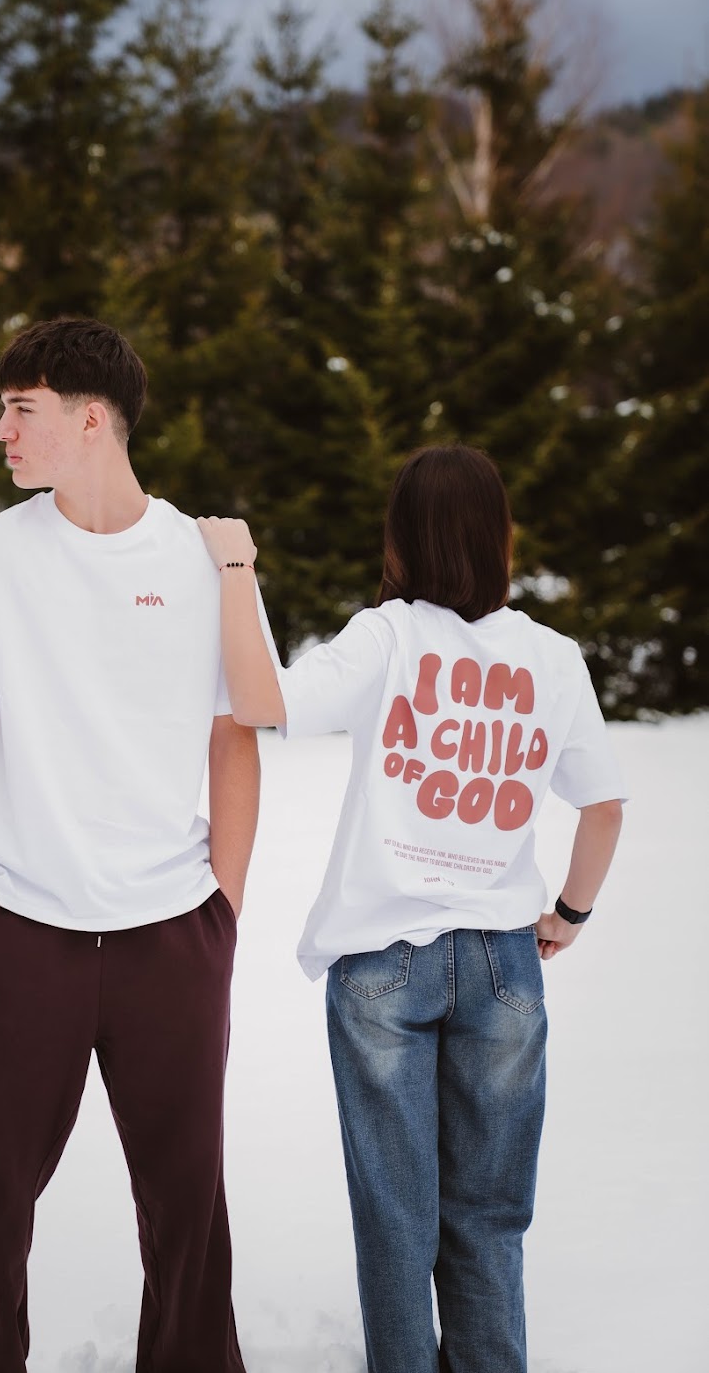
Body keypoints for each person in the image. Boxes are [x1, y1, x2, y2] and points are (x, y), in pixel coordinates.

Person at [197, 444, 626, 1373]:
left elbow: (262, 700)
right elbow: (603, 808)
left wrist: (235, 566)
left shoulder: (386, 638)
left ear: (402, 538)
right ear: (499, 536)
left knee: (396, 1218)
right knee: (491, 1214)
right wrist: (570, 914)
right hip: (506, 965)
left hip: (382, 965)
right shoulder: (553, 659)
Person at [0, 316, 268, 1373]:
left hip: (172, 931)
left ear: (92, 418)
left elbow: (236, 736)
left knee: (187, 1198)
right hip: (22, 927)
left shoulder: (201, 558)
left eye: (22, 409)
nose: (2, 432)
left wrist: (224, 906)